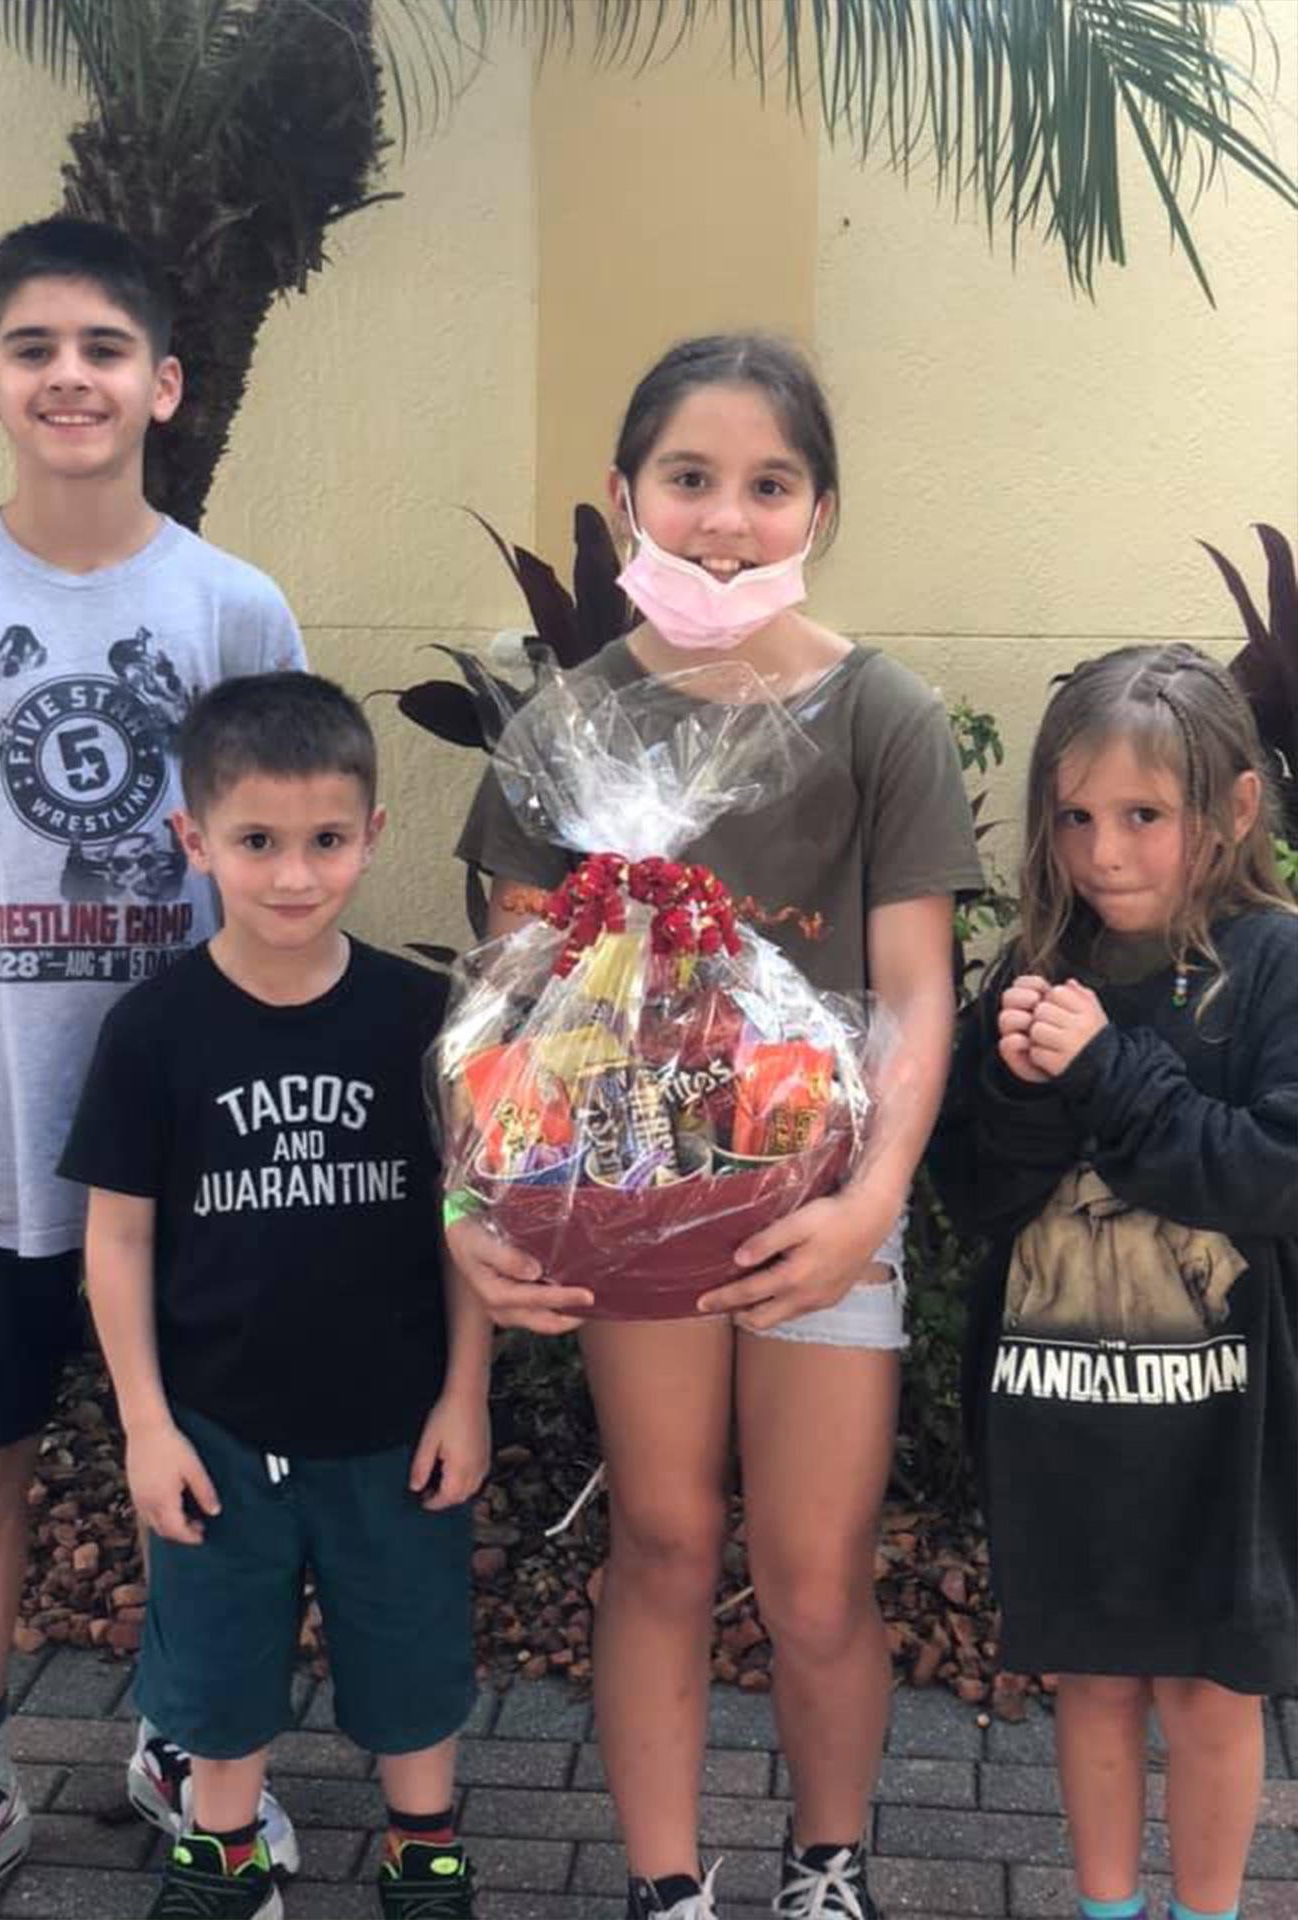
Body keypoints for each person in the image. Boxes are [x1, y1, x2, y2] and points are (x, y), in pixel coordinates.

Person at [446, 334, 981, 1920]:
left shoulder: (882, 714)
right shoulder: (567, 731)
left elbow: (912, 991)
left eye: (767, 486)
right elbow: (506, 1009)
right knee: (668, 1539)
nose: (725, 521)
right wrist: (478, 1212)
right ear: (625, 499)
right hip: (626, 1205)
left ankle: (832, 1872)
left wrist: (869, 1201)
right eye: (689, 481)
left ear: (821, 507)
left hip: (826, 1214)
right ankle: (665, 1887)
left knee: (818, 1577)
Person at [0, 214, 306, 1920]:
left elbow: (282, 873)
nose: (72, 375)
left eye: (105, 348)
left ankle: (179, 1744)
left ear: (165, 384)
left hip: (184, 1159)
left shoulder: (230, 605)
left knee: (184, 1471)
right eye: (37, 347)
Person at [62, 673, 489, 1920]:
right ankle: (223, 1854)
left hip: (396, 1422)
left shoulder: (423, 1021)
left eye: (325, 842)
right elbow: (119, 1240)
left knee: (411, 1657)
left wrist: (467, 1393)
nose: (294, 875)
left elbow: (469, 1227)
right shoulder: (154, 1031)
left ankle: (425, 1848)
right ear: (193, 841)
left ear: (371, 836)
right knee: (219, 1669)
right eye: (257, 842)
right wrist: (145, 1422)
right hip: (219, 1431)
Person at [932, 645, 1298, 1920]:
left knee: (1208, 1693)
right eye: (1077, 817)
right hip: (1059, 1412)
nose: (1105, 853)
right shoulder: (1038, 965)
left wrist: (1110, 1075)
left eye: (1145, 816)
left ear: (1236, 809)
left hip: (1227, 1428)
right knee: (1089, 1687)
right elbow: (975, 1198)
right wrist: (1025, 1090)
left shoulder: (1275, 968)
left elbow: (1270, 1178)